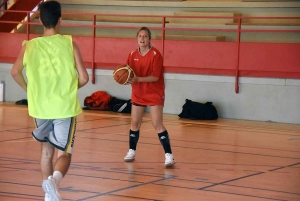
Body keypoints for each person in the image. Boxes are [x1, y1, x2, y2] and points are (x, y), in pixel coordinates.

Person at [10, 1, 89, 200]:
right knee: (64, 154)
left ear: (40, 20)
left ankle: (48, 196)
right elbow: (84, 78)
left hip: (41, 107)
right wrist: (69, 88)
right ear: (60, 19)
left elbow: (14, 72)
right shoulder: (70, 43)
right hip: (64, 107)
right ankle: (54, 182)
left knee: (46, 151)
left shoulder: (29, 45)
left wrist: (30, 91)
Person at [124, 27, 176, 167]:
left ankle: (169, 155)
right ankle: (131, 151)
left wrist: (137, 79)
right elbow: (127, 73)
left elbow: (155, 77)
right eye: (140, 36)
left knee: (157, 124)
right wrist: (124, 78)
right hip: (138, 92)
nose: (142, 38)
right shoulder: (131, 54)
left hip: (154, 92)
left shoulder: (155, 55)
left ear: (149, 39)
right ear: (136, 38)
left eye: (145, 36)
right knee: (134, 123)